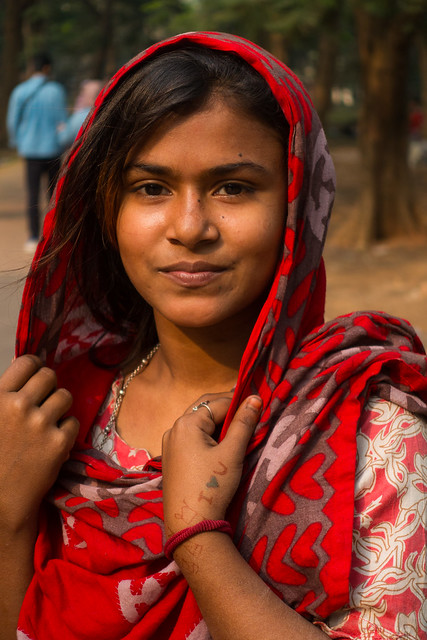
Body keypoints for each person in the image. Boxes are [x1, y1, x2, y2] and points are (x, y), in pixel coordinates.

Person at [0, 32, 426, 640]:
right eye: (151, 188)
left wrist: (199, 539)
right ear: (106, 209)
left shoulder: (365, 425)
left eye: (234, 188)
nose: (190, 226)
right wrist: (7, 514)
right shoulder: (59, 413)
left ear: (297, 206)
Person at [6, 52, 67, 252]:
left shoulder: (20, 91)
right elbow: (62, 121)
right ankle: (52, 236)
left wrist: (18, 142)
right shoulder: (56, 90)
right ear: (47, 68)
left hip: (30, 150)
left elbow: (12, 121)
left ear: (33, 67)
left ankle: (33, 237)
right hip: (52, 149)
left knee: (32, 194)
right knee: (52, 195)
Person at [58, 79, 103, 151]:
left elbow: (64, 140)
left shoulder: (79, 116)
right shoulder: (103, 114)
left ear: (89, 96)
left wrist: (61, 130)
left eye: (83, 94)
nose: (81, 97)